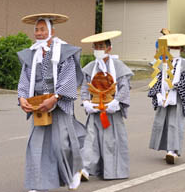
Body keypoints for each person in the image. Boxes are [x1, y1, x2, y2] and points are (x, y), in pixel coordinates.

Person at [17, 13, 87, 192]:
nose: (39, 33)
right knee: (36, 145)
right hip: (38, 105)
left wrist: (55, 97)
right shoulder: (32, 54)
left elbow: (69, 78)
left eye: (43, 29)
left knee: (61, 145)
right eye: (37, 30)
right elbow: (24, 80)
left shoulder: (64, 52)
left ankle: (73, 172)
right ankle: (37, 184)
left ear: (52, 31)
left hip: (59, 104)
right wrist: (22, 98)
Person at [80, 31, 133, 179]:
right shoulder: (90, 67)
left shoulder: (118, 66)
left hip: (111, 111)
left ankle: (113, 171)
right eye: (95, 46)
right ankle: (85, 168)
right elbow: (85, 87)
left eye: (101, 46)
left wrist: (116, 102)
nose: (98, 49)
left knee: (111, 140)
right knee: (90, 140)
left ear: (109, 48)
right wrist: (85, 102)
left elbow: (124, 86)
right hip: (95, 108)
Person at [148, 34, 185, 164]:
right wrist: (157, 94)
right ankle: (168, 148)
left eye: (177, 47)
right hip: (163, 99)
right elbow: (155, 81)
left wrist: (173, 86)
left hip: (177, 98)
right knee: (163, 123)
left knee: (175, 123)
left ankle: (173, 150)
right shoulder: (161, 64)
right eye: (171, 47)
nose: (174, 50)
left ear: (182, 49)